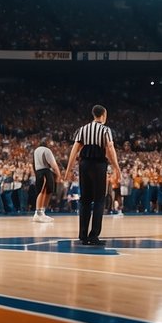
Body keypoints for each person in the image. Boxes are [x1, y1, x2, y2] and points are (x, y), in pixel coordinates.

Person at [63, 105, 121, 246]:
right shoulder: (105, 130)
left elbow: (74, 150)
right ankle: (93, 235)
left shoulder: (82, 129)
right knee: (99, 200)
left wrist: (68, 169)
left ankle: (82, 235)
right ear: (104, 115)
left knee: (85, 200)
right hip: (99, 165)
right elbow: (110, 150)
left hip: (84, 165)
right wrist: (117, 168)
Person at [31, 141, 60, 224]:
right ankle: (39, 213)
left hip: (38, 171)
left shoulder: (35, 151)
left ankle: (41, 213)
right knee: (43, 192)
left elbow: (33, 164)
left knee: (45, 192)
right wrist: (58, 174)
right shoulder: (46, 150)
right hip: (45, 171)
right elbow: (53, 164)